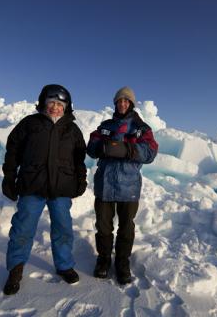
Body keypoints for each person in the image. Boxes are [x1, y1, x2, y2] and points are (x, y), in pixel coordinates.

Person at [1, 84, 87, 295]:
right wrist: (9, 178)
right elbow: (12, 151)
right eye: (52, 103)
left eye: (60, 104)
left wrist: (80, 179)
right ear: (44, 103)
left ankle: (64, 265)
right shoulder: (29, 124)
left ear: (66, 107)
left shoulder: (72, 129)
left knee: (63, 228)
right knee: (23, 227)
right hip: (32, 185)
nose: (56, 107)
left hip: (61, 187)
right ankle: (16, 268)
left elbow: (79, 159)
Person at [86, 86, 158, 284]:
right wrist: (101, 146)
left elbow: (150, 152)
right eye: (119, 101)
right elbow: (91, 147)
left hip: (129, 187)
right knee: (103, 226)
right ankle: (103, 260)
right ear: (115, 104)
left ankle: (122, 262)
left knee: (126, 228)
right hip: (105, 185)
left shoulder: (141, 128)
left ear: (132, 104)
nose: (122, 104)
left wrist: (127, 149)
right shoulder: (105, 126)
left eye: (126, 101)